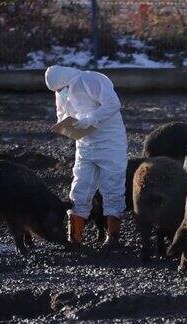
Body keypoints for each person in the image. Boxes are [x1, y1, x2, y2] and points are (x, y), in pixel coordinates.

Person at [45, 65, 127, 248]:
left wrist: (91, 119)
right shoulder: (61, 90)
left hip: (110, 143)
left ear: (67, 79)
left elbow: (113, 104)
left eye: (61, 89)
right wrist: (65, 125)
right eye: (57, 91)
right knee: (79, 189)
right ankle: (75, 237)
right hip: (85, 145)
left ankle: (112, 236)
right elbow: (62, 113)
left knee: (112, 187)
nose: (60, 93)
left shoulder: (91, 79)